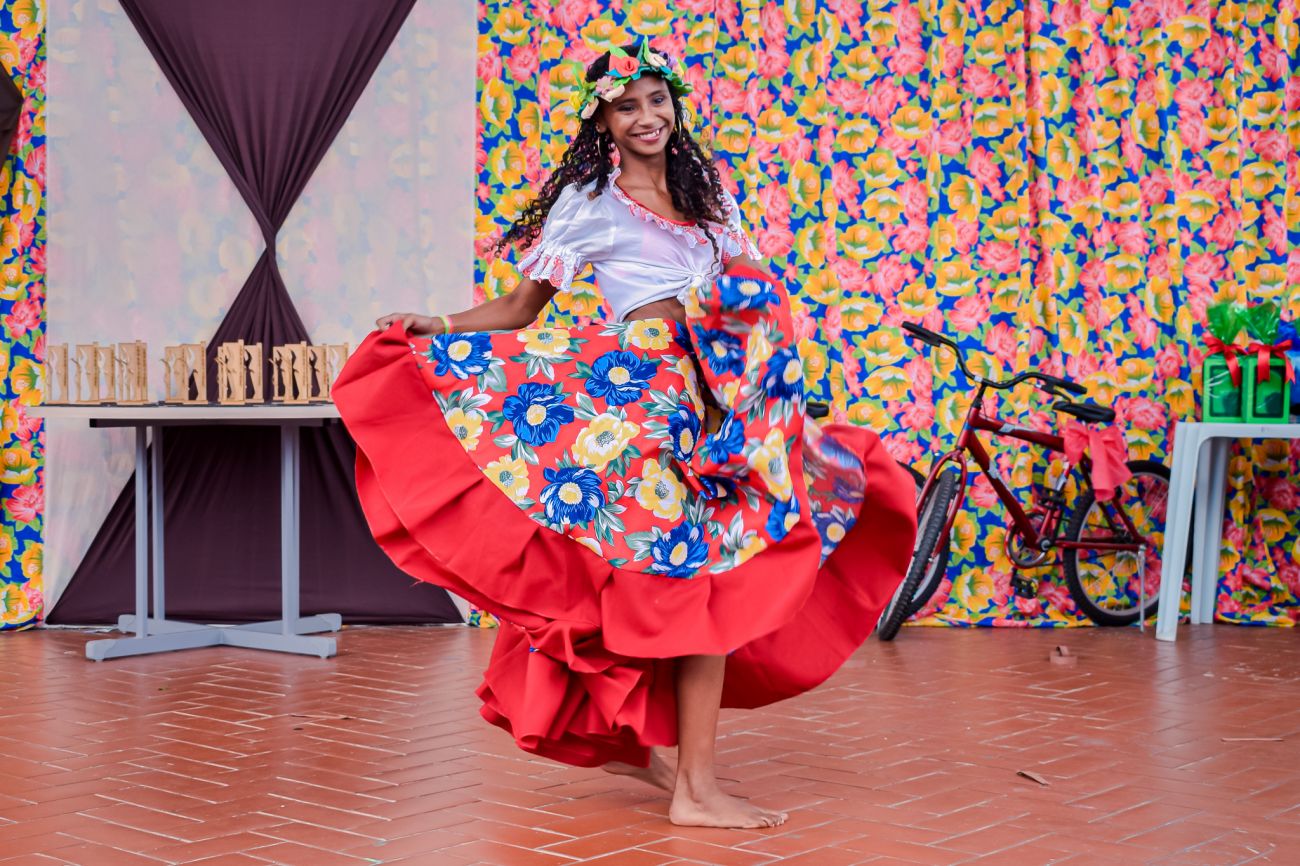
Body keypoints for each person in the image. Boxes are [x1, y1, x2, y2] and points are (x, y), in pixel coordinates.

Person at [334, 42, 916, 829]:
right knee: (692, 579)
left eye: (656, 100)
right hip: (641, 401)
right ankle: (692, 787)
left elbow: (747, 298)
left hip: (715, 404)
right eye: (626, 105)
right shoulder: (590, 205)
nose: (646, 117)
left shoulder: (708, 196)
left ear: (674, 105)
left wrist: (763, 391)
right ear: (602, 121)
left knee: (696, 577)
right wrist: (437, 323)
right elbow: (519, 311)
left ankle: (649, 752)